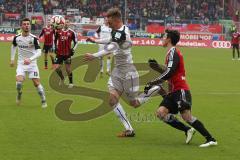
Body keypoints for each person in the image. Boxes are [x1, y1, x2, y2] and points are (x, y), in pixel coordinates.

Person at [84, 8, 161, 136]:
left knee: (134, 103)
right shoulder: (117, 30)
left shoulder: (123, 33)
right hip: (118, 71)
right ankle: (129, 130)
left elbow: (111, 47)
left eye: (109, 22)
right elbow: (110, 38)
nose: (107, 24)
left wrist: (94, 55)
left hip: (127, 71)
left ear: (116, 20)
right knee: (112, 100)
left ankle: (155, 89)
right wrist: (96, 41)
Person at [145, 29, 217, 147]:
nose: (162, 39)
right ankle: (187, 130)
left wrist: (152, 82)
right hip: (173, 91)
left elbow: (170, 71)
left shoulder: (173, 52)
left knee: (187, 116)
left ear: (169, 39)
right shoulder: (170, 53)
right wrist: (157, 67)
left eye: (164, 37)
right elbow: (170, 72)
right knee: (161, 113)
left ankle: (211, 139)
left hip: (180, 90)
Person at [10, 18, 47, 108]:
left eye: (28, 24)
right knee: (19, 82)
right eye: (24, 24)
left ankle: (43, 100)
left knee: (36, 83)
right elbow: (13, 46)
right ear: (21, 26)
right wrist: (12, 59)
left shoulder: (34, 39)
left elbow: (39, 52)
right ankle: (19, 94)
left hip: (32, 64)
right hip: (21, 64)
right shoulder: (17, 38)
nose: (26, 25)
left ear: (30, 26)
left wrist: (30, 59)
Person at [54, 19, 78, 88]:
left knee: (68, 69)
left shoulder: (72, 32)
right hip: (59, 53)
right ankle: (62, 78)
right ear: (64, 23)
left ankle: (71, 83)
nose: (67, 23)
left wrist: (73, 50)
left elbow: (76, 42)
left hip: (67, 53)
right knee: (56, 68)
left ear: (69, 24)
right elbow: (55, 40)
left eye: (68, 22)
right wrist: (55, 47)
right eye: (66, 22)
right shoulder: (58, 31)